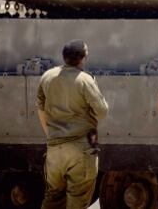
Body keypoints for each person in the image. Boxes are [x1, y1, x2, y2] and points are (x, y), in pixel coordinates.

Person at [37, 40, 109, 209]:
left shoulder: (47, 77)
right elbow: (102, 111)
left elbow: (41, 109)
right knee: (77, 201)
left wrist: (51, 135)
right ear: (82, 58)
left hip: (55, 150)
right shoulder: (85, 80)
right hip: (81, 151)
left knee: (53, 197)